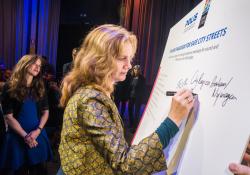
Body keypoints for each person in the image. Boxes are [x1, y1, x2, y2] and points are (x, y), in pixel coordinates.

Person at [59, 24, 195, 174]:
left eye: (130, 58)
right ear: (99, 59)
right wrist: (173, 120)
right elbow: (125, 163)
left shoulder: (95, 92)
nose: (129, 65)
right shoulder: (90, 101)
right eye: (122, 58)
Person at [0, 55, 52, 175]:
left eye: (39, 66)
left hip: (37, 134)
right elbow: (8, 116)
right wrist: (26, 136)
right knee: (18, 170)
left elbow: (46, 112)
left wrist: (37, 131)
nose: (37, 67)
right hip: (17, 136)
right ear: (24, 64)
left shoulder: (40, 86)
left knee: (39, 170)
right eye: (34, 64)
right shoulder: (10, 87)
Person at [128, 64, 146, 130]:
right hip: (131, 97)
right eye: (135, 69)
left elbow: (143, 89)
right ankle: (131, 124)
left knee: (136, 112)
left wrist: (142, 98)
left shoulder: (142, 78)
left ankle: (135, 127)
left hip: (138, 98)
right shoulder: (131, 77)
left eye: (138, 69)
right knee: (130, 110)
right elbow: (129, 88)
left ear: (139, 70)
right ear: (133, 70)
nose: (136, 70)